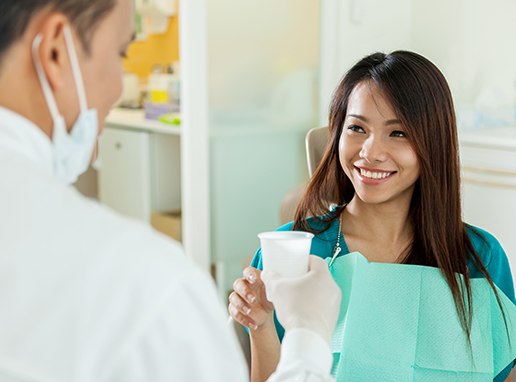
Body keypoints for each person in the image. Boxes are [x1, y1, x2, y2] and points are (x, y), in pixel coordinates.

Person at [0, 0, 341, 381]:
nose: (117, 88)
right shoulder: (147, 290)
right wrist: (307, 339)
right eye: (120, 53)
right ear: (54, 51)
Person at [229, 51, 515, 382]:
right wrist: (260, 326)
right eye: (357, 128)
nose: (370, 152)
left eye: (398, 133)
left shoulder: (480, 257)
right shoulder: (293, 254)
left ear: (433, 144)